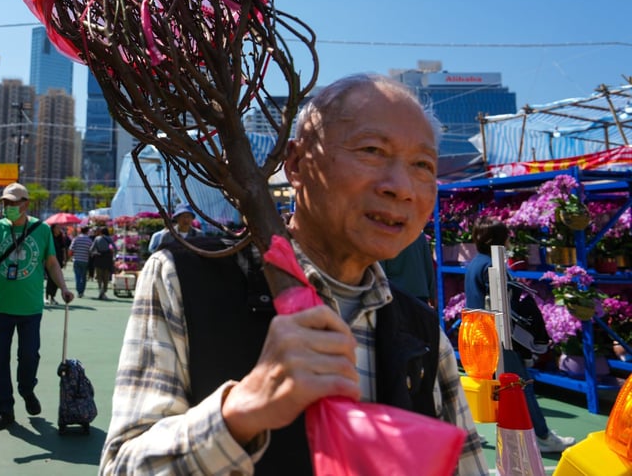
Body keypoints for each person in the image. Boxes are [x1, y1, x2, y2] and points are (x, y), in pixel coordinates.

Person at [101, 73, 489, 474]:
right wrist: (238, 412)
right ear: (299, 164)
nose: (402, 187)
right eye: (372, 150)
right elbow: (121, 467)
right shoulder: (184, 279)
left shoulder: (422, 333)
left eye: (423, 165)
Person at [0, 182, 74, 432]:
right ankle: (4, 408)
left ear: (25, 204)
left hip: (30, 308)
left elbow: (51, 262)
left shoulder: (41, 230)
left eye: (14, 203)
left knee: (29, 356)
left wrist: (64, 287)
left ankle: (27, 389)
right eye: (5, 203)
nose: (8, 207)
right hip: (1, 306)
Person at [464, 218, 575, 454]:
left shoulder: (475, 264)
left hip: (477, 334)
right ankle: (542, 435)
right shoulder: (492, 267)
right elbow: (509, 305)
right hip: (498, 335)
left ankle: (471, 431)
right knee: (519, 385)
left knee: (486, 388)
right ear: (499, 240)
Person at [381, 232, 437, 307]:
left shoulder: (385, 237)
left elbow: (380, 274)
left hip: (397, 296)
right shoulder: (419, 235)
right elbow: (428, 267)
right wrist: (432, 294)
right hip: (420, 293)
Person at [89, 225, 115, 300]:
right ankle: (104, 291)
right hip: (107, 258)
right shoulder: (109, 238)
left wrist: (94, 253)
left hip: (98, 258)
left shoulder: (97, 238)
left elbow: (91, 249)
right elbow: (115, 247)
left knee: (99, 276)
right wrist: (113, 255)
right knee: (106, 276)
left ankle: (100, 289)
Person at [45, 223, 69, 305]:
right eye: (57, 227)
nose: (59, 229)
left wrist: (65, 260)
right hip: (49, 261)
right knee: (50, 279)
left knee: (56, 280)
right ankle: (47, 296)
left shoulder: (61, 238)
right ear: (53, 228)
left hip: (58, 261)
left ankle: (52, 297)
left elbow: (63, 250)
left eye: (60, 227)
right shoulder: (49, 236)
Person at [69, 225, 93, 297]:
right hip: (85, 260)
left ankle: (78, 290)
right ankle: (82, 291)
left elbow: (71, 249)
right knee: (84, 276)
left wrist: (70, 257)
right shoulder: (89, 240)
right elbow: (91, 251)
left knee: (77, 276)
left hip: (76, 259)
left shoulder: (76, 239)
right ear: (87, 231)